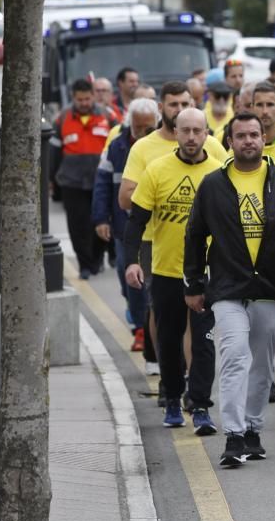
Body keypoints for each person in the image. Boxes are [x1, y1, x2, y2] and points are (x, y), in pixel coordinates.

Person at [185, 112, 275, 468]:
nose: (248, 141)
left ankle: (253, 430)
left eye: (254, 135)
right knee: (233, 356)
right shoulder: (213, 185)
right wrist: (194, 284)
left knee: (261, 364)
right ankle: (233, 434)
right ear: (230, 141)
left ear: (264, 139)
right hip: (227, 287)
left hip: (271, 288)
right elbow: (195, 236)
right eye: (241, 135)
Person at [124, 108, 222, 434]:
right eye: (186, 131)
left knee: (205, 343)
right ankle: (171, 398)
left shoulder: (219, 172)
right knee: (168, 340)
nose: (192, 137)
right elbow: (136, 220)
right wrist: (132, 261)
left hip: (208, 273)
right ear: (175, 132)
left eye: (198, 131)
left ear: (207, 133)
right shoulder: (157, 170)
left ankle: (201, 405)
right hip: (166, 271)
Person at [92, 98, 159, 352]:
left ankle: (142, 329)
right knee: (125, 274)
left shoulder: (163, 147)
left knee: (146, 282)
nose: (143, 132)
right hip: (124, 226)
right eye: (139, 127)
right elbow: (102, 184)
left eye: (148, 126)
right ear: (130, 124)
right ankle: (136, 314)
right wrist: (100, 218)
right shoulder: (117, 147)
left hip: (154, 229)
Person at [51, 78, 113, 279]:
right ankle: (84, 265)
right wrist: (53, 180)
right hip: (72, 182)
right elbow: (54, 152)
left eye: (87, 98)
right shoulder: (62, 118)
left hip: (101, 181)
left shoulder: (108, 116)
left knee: (101, 221)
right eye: (80, 100)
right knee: (78, 226)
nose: (84, 103)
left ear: (93, 96)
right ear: (73, 98)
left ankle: (96, 258)